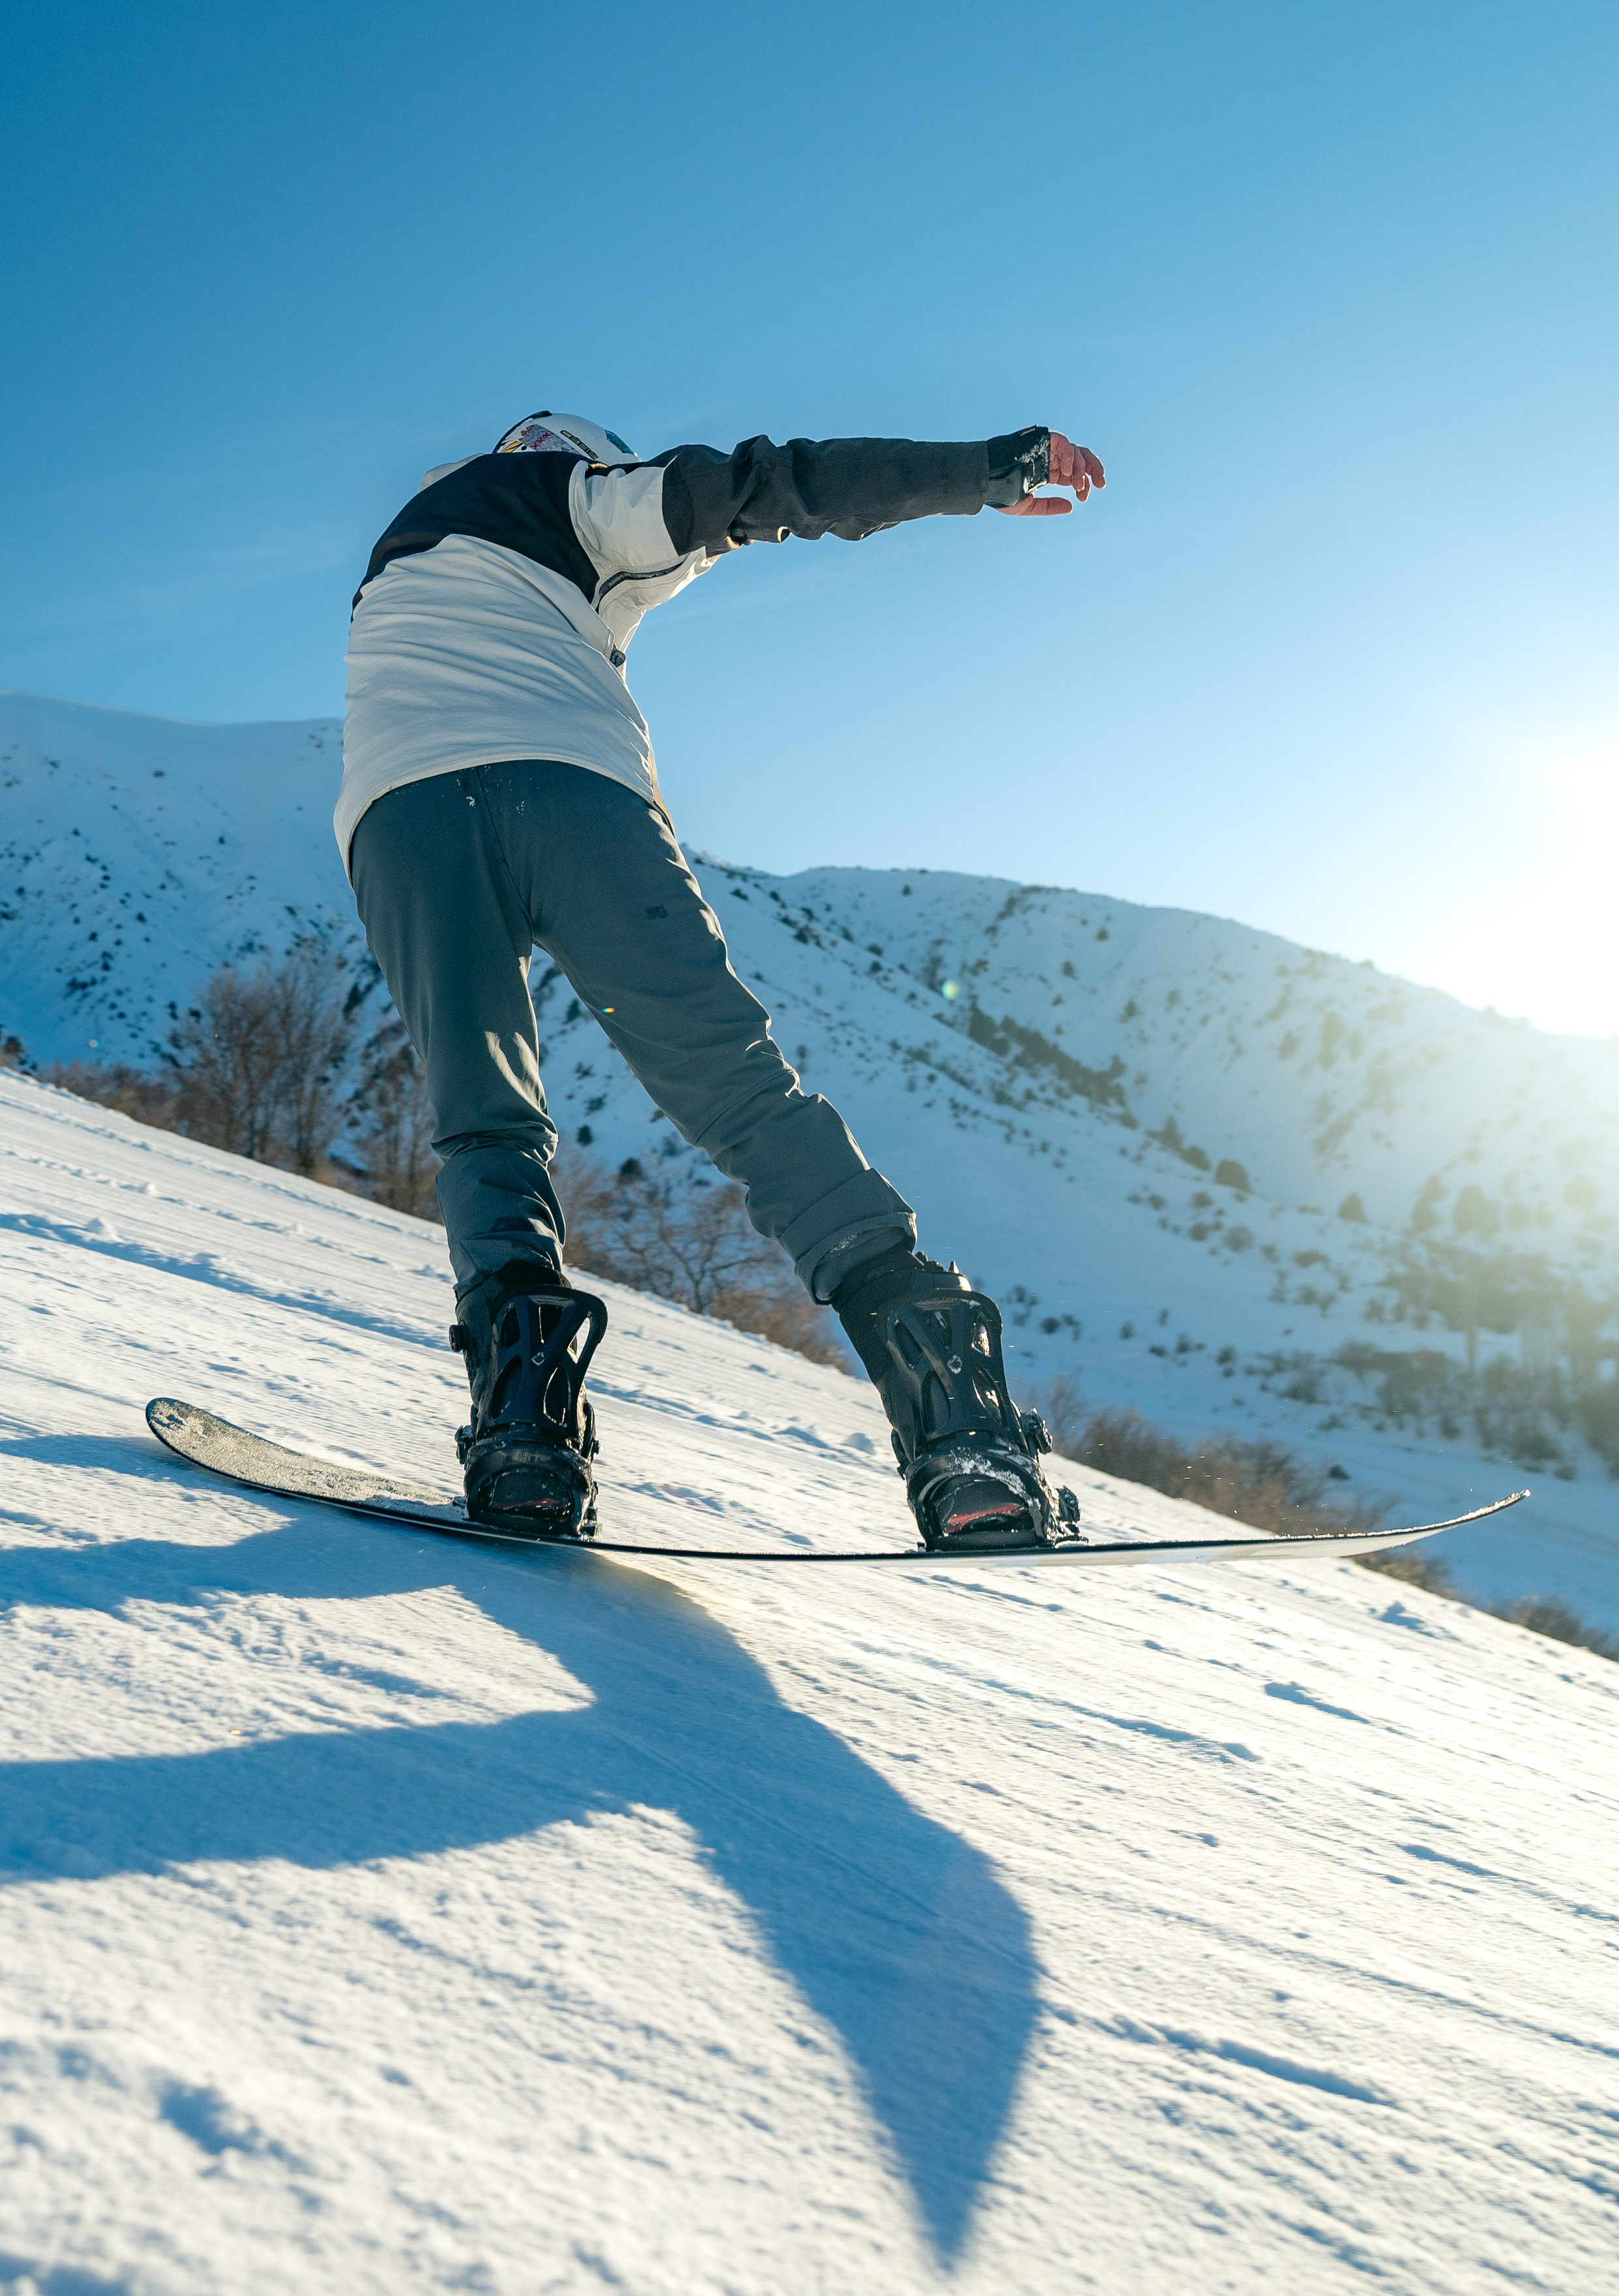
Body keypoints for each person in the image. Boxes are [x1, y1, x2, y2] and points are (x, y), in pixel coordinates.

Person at [338, 412, 1105, 1549]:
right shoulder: (564, 493)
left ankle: (527, 1449)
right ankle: (963, 1445)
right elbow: (768, 486)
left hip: (398, 820)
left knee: (485, 1131)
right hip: (567, 794)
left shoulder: (409, 558)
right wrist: (981, 471)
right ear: (565, 453)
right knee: (744, 1096)